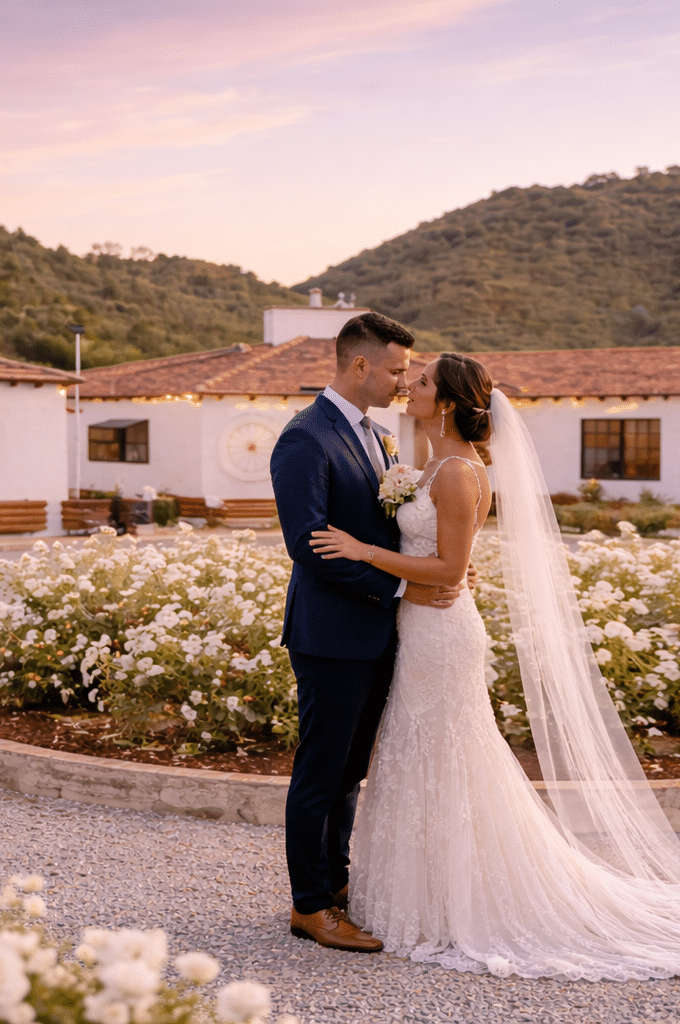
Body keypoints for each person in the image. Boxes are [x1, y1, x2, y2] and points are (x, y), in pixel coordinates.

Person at [308, 353, 680, 981]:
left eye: (420, 382)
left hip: (441, 634)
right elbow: (446, 559)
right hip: (418, 626)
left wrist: (362, 550)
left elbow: (449, 570)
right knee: (419, 752)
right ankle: (425, 892)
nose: (407, 387)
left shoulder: (458, 473)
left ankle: (459, 900)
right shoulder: (436, 466)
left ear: (445, 402)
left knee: (446, 752)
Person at [269, 312, 464, 953]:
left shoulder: (379, 437)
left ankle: (337, 885)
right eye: (397, 370)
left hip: (381, 634)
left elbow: (388, 532)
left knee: (350, 772)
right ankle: (309, 907)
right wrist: (403, 589)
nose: (404, 382)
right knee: (320, 773)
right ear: (360, 365)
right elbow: (309, 545)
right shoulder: (306, 438)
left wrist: (432, 571)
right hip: (330, 635)